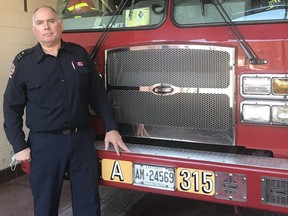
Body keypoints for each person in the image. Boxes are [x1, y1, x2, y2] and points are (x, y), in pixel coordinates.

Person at [3, 5, 130, 216]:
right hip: (45, 145)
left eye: (51, 21)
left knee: (89, 202)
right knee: (45, 205)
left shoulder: (78, 54)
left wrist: (111, 128)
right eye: (40, 23)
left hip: (81, 142)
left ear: (60, 25)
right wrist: (19, 145)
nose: (46, 27)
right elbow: (11, 108)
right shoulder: (24, 63)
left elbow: (97, 95)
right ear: (34, 29)